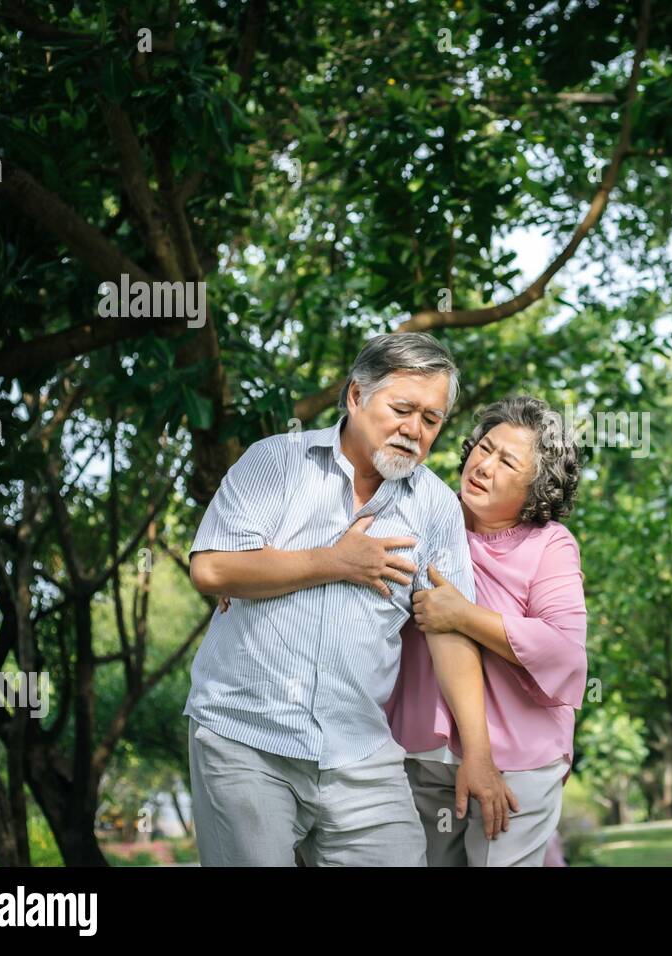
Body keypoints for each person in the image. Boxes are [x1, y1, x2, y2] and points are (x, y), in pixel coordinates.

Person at [184, 332, 514, 866]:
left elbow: (446, 629)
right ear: (356, 397)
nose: (414, 430)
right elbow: (213, 568)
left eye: (431, 420)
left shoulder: (434, 506)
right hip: (244, 737)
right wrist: (333, 561)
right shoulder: (275, 462)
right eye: (402, 409)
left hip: (361, 754)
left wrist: (478, 752)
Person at [386, 395, 588, 866]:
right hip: (424, 752)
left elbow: (564, 652)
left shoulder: (549, 545)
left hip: (518, 760)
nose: (483, 465)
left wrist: (462, 616)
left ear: (537, 488)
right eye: (484, 447)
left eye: (506, 461)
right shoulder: (427, 515)